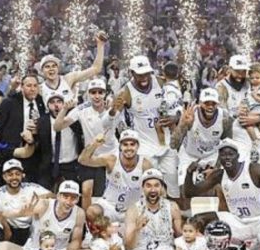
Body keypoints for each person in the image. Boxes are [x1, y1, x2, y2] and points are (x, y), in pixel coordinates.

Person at [183, 139, 260, 250]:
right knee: (198, 219)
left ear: (238, 156)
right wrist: (189, 173)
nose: (227, 158)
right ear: (219, 157)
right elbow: (190, 192)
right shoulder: (219, 175)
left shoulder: (254, 169)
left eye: (230, 154)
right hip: (238, 221)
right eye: (223, 155)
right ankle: (235, 248)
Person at [116, 55, 181, 201]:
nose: (144, 77)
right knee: (149, 189)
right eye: (140, 74)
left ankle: (174, 214)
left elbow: (178, 105)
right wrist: (126, 136)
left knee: (174, 189)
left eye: (146, 73)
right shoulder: (125, 92)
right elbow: (116, 118)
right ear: (132, 73)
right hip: (144, 148)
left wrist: (175, 117)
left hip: (167, 145)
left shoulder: (161, 83)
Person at [54, 77, 123, 208]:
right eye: (93, 92)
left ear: (105, 93)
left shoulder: (113, 109)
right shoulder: (81, 109)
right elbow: (57, 127)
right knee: (86, 191)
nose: (97, 96)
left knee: (110, 191)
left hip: (111, 154)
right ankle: (86, 219)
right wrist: (64, 109)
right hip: (89, 155)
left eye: (100, 92)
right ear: (88, 94)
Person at [170, 87, 233, 207]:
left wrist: (216, 168)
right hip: (189, 155)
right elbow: (173, 144)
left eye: (213, 103)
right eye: (206, 103)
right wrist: (183, 124)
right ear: (200, 103)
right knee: (185, 190)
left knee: (218, 189)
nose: (210, 107)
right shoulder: (190, 114)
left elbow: (227, 145)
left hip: (211, 156)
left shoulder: (224, 118)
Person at [0, 159, 52, 250]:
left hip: (30, 230)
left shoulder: (31, 188)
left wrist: (41, 198)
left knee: (44, 204)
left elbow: (54, 196)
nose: (14, 177)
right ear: (4, 177)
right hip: (8, 232)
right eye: (10, 175)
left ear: (22, 175)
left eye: (17, 174)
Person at [77, 129, 152, 222]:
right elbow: (82, 160)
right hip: (110, 205)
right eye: (125, 144)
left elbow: (154, 187)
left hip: (133, 209)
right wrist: (94, 144)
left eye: (132, 144)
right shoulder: (111, 160)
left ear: (138, 146)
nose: (129, 148)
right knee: (92, 211)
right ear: (120, 146)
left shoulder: (145, 164)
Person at [216, 55, 260, 159]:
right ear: (230, 69)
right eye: (237, 71)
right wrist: (235, 113)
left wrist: (258, 118)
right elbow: (219, 115)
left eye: (243, 71)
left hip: (253, 125)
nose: (240, 75)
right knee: (241, 157)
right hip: (232, 130)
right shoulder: (221, 87)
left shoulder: (251, 82)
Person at [38, 32, 107, 104]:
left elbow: (96, 68)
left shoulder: (68, 79)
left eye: (54, 66)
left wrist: (100, 45)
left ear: (58, 69)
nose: (51, 69)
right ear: (42, 71)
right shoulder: (39, 89)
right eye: (47, 67)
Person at [0, 72, 46, 163]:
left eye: (35, 86)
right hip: (13, 151)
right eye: (29, 85)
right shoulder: (9, 103)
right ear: (21, 87)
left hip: (37, 152)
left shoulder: (43, 102)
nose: (32, 89)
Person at [36, 93, 84, 189]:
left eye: (59, 102)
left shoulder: (72, 119)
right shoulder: (42, 121)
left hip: (71, 165)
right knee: (43, 191)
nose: (56, 105)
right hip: (49, 164)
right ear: (48, 105)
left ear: (63, 104)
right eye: (52, 102)